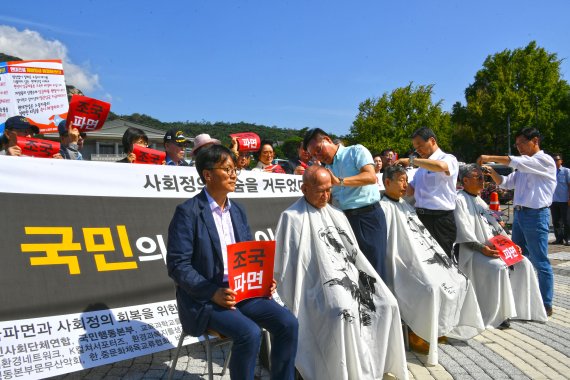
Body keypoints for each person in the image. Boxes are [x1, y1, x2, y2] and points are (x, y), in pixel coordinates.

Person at [166, 145, 298, 379]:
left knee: (288, 323)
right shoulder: (188, 212)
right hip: (205, 299)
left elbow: (246, 256)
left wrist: (262, 280)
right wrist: (213, 292)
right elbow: (178, 265)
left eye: (235, 169)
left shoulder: (237, 210)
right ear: (208, 175)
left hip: (243, 292)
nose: (234, 174)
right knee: (250, 332)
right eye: (227, 169)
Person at [274, 166, 408, 380]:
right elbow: (288, 266)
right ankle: (341, 372)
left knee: (387, 303)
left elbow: (354, 255)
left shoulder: (336, 213)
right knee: (343, 311)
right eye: (320, 191)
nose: (326, 196)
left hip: (348, 276)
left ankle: (375, 365)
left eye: (329, 190)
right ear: (304, 188)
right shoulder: (292, 218)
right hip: (315, 286)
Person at [380, 165, 484, 365]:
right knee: (430, 288)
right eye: (400, 180)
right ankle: (419, 333)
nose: (405, 185)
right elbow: (393, 247)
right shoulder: (383, 208)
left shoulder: (406, 205)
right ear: (386, 182)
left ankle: (441, 328)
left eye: (405, 180)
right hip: (403, 263)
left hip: (423, 258)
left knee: (458, 280)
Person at [454, 164, 547, 328]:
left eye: (483, 178)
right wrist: (482, 249)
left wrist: (510, 245)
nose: (483, 181)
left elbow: (495, 226)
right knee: (498, 267)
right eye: (479, 178)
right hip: (473, 252)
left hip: (492, 249)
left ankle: (523, 309)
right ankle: (499, 315)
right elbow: (464, 232)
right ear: (466, 180)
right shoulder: (459, 200)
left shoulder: (480, 200)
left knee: (523, 262)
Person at [477, 127, 557, 316]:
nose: (518, 147)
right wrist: (491, 172)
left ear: (535, 141)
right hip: (520, 215)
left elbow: (515, 161)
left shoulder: (543, 161)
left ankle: (546, 303)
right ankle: (523, 297)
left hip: (536, 214)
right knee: (517, 257)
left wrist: (489, 157)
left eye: (522, 143)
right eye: (517, 144)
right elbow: (505, 182)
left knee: (540, 260)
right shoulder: (524, 167)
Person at [304, 128, 388, 280]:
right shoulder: (325, 169)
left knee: (375, 269)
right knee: (352, 269)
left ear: (328, 140)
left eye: (319, 149)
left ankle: (382, 304)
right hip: (343, 221)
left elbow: (370, 176)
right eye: (314, 155)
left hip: (367, 217)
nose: (318, 155)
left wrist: (340, 181)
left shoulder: (355, 151)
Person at [396, 126, 459, 258]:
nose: (418, 150)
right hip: (421, 217)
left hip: (440, 220)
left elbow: (441, 167)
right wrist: (399, 178)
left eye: (420, 145)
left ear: (432, 140)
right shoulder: (420, 169)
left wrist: (411, 160)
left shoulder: (448, 158)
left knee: (443, 263)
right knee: (424, 260)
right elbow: (410, 191)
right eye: (415, 148)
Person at [550, 153, 570, 245]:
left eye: (557, 160)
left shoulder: (566, 171)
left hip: (565, 200)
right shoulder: (550, 172)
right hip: (553, 200)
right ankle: (559, 238)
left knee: (567, 221)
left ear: (561, 161)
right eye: (554, 160)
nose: (555, 161)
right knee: (556, 221)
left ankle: (568, 238)